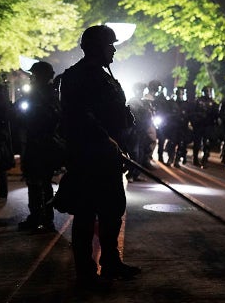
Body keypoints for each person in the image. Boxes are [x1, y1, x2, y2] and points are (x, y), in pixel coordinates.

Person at [58, 25, 141, 289]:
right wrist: (105, 140)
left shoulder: (106, 77)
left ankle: (111, 263)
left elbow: (116, 112)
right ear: (96, 48)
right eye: (109, 45)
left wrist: (122, 139)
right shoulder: (75, 77)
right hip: (87, 156)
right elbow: (78, 116)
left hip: (110, 156)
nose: (113, 49)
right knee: (85, 214)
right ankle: (85, 271)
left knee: (112, 211)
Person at [17, 61, 61, 232]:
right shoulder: (44, 95)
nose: (32, 78)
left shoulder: (47, 95)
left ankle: (42, 218)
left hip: (42, 144)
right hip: (38, 143)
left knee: (39, 183)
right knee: (38, 183)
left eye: (35, 75)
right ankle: (39, 217)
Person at [190, 86, 219, 168]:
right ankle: (195, 159)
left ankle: (205, 159)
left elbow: (216, 115)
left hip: (208, 125)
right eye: (207, 91)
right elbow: (192, 113)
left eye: (209, 92)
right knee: (197, 143)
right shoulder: (197, 101)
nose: (208, 93)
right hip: (199, 125)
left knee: (207, 143)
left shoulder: (213, 103)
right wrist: (195, 121)